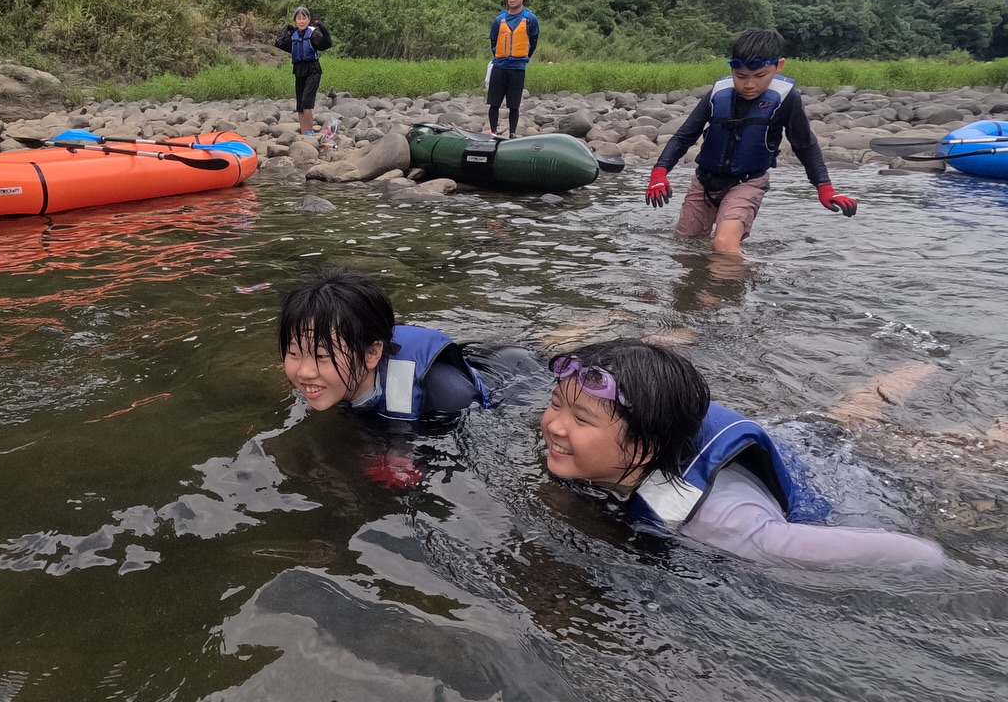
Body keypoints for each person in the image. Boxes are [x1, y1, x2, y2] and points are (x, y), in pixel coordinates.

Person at [538, 338, 944, 566]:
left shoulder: (726, 524)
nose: (555, 425)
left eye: (581, 419)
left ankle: (935, 368)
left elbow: (916, 553)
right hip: (794, 435)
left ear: (644, 447)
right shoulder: (605, 447)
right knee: (839, 417)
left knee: (946, 451)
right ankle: (920, 365)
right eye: (556, 404)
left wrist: (930, 557)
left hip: (845, 472)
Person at [644, 27, 859, 256]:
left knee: (724, 246)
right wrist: (659, 173)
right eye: (741, 76)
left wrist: (825, 187)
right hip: (704, 182)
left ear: (779, 66)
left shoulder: (787, 100)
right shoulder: (718, 94)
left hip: (747, 183)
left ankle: (737, 287)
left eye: (759, 76)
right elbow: (684, 136)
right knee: (685, 247)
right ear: (732, 69)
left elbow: (805, 145)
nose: (749, 85)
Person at [278, 267, 490, 421]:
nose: (304, 372)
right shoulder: (328, 378)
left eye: (322, 356)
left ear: (371, 353)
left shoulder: (448, 395)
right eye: (294, 353)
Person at [486, 0, 539, 138]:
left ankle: (512, 133)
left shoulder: (530, 19)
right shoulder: (499, 20)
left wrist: (524, 58)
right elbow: (493, 42)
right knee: (494, 103)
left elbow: (534, 41)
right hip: (500, 66)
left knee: (514, 105)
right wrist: (499, 56)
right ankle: (493, 132)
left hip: (517, 67)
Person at [274, 6, 332, 138]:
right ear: (295, 20)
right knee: (300, 105)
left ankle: (310, 133)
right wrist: (286, 28)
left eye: (304, 18)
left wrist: (322, 27)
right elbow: (278, 42)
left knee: (306, 102)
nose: (301, 21)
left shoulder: (313, 34)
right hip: (299, 70)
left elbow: (326, 43)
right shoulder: (293, 36)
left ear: (308, 19)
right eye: (298, 18)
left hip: (313, 70)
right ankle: (303, 133)